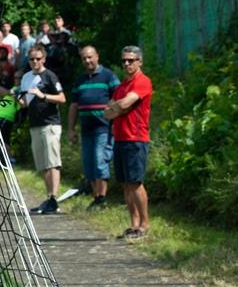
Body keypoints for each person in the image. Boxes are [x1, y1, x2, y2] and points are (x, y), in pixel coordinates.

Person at [106, 46, 153, 240]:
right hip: (120, 138)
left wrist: (119, 107)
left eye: (131, 60)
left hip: (136, 139)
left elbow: (124, 105)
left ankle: (144, 224)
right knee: (126, 184)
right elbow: (107, 112)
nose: (127, 64)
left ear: (139, 61)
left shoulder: (142, 82)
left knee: (135, 183)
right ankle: (133, 224)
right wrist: (120, 107)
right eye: (124, 60)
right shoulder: (121, 86)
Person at [68, 45, 120, 210]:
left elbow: (119, 99)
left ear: (97, 56)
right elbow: (74, 105)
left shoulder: (108, 76)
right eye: (84, 58)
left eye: (90, 57)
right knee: (89, 164)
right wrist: (70, 128)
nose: (87, 61)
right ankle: (96, 196)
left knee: (100, 162)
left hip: (104, 128)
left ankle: (102, 198)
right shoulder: (80, 80)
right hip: (86, 128)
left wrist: (115, 123)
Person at [15, 45, 66, 215]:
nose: (35, 62)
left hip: (50, 123)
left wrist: (43, 96)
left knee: (53, 162)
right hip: (34, 123)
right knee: (44, 164)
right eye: (32, 59)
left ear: (43, 59)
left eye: (38, 58)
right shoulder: (26, 77)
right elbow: (25, 103)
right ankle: (49, 197)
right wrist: (15, 98)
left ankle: (54, 198)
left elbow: (62, 98)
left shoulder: (50, 76)